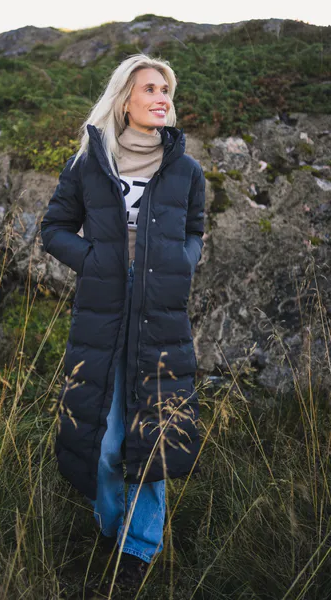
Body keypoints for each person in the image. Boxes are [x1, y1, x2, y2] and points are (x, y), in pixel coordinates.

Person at [40, 53, 205, 592]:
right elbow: (54, 228)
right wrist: (95, 261)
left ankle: (137, 552)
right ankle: (113, 528)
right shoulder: (89, 164)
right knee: (108, 442)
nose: (161, 97)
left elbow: (195, 229)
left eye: (166, 90)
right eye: (150, 88)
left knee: (151, 438)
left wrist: (182, 262)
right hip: (104, 314)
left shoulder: (185, 169)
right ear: (124, 99)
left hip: (160, 316)